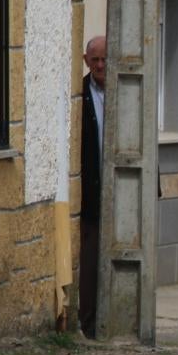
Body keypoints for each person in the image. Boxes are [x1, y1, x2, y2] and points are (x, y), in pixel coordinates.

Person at [79, 35, 106, 339]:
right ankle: (88, 325)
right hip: (91, 197)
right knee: (89, 266)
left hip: (122, 198)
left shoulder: (128, 92)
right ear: (86, 61)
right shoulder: (81, 95)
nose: (100, 65)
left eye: (104, 59)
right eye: (95, 59)